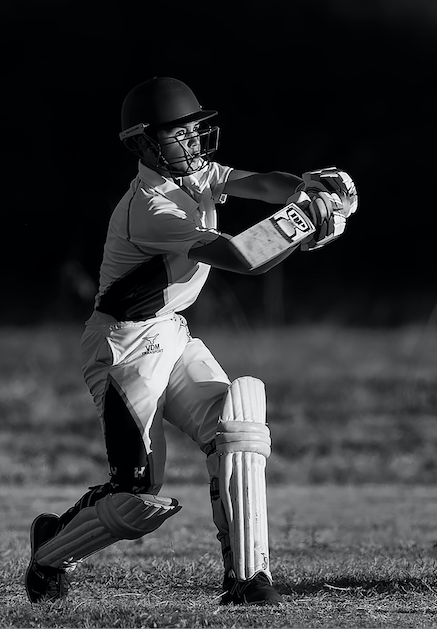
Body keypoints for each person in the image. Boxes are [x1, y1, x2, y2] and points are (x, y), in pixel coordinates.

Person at [24, 76, 358, 606]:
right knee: (136, 496)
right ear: (144, 143)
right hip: (123, 348)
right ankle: (49, 552)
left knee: (238, 426)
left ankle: (248, 580)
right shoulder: (149, 208)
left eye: (196, 131)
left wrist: (306, 188)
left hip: (171, 333)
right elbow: (242, 256)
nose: (195, 143)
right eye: (180, 135)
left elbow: (262, 183)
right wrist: (304, 224)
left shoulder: (198, 173)